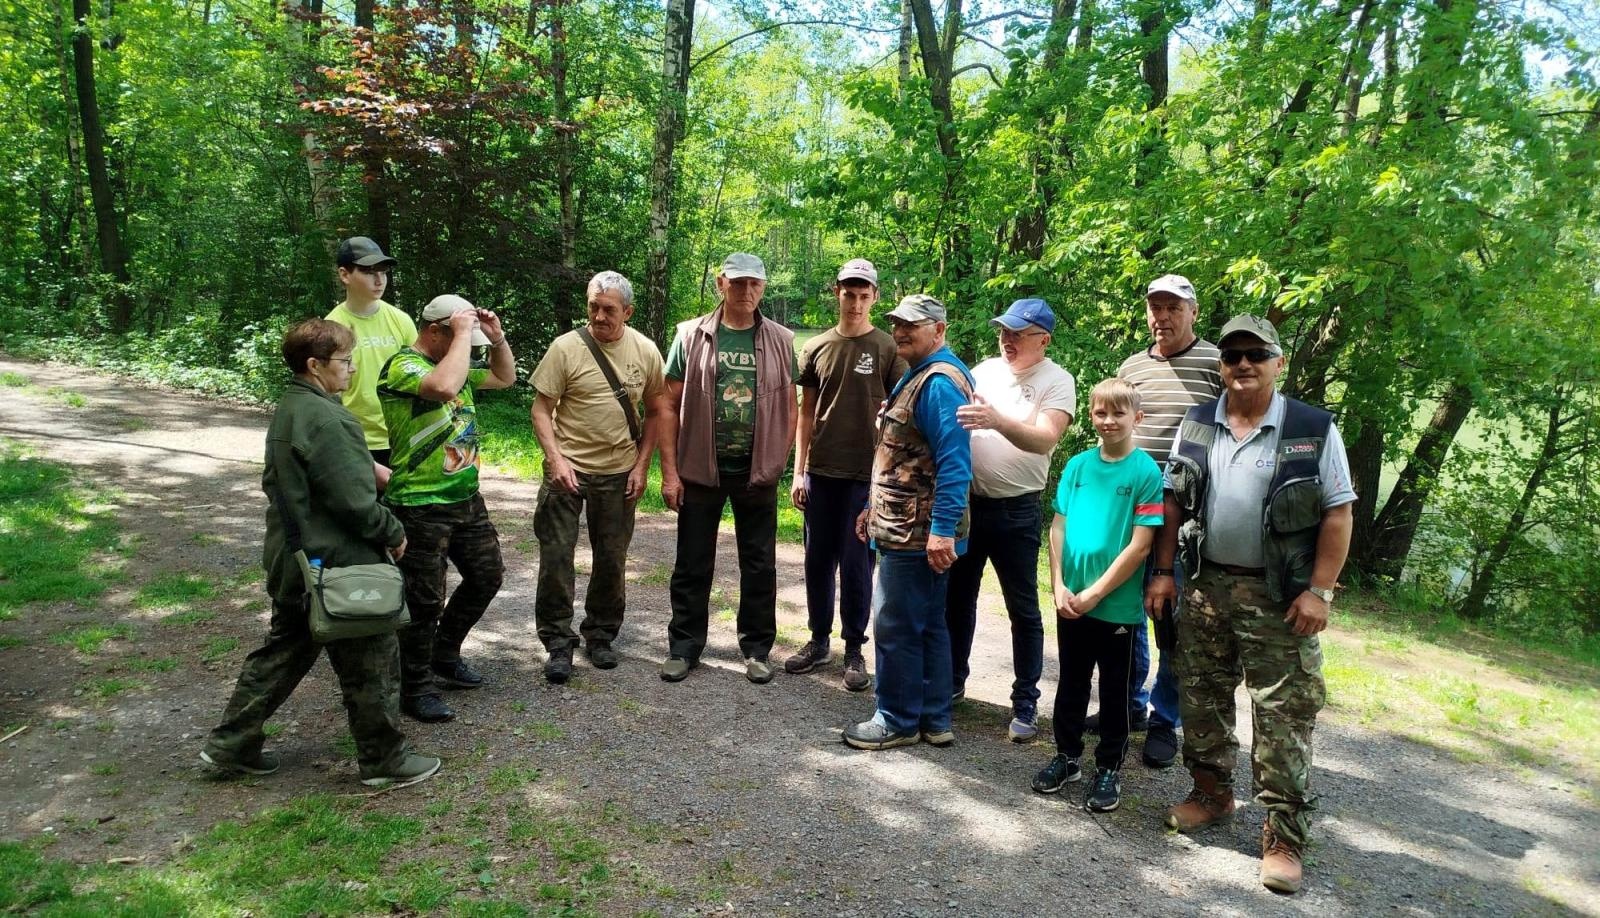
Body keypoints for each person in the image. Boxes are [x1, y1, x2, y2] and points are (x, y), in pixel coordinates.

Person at [1147, 314, 1355, 895]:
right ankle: (1211, 794)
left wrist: (1320, 590)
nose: (1243, 364)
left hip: (1280, 596)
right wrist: (1163, 573)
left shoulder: (1311, 427)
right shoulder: (1198, 422)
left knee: (1283, 713)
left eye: (1255, 354)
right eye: (1233, 355)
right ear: (1221, 365)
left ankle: (1284, 835)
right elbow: (1171, 504)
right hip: (1206, 585)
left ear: (1277, 363)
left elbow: (1339, 512)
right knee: (1202, 694)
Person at [200, 319, 440, 788]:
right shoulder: (328, 419)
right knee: (372, 658)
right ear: (315, 365)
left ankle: (231, 743)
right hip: (337, 563)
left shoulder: (293, 407)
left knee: (284, 651)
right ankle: (384, 761)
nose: (350, 370)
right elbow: (354, 501)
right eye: (344, 361)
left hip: (295, 559)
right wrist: (392, 529)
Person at [1098, 273, 1223, 768]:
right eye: (1155, 307)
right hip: (1130, 511)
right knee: (1125, 612)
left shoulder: (1216, 363)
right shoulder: (1132, 367)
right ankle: (1126, 708)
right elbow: (1117, 428)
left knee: (1171, 618)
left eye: (1173, 307)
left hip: (1187, 517)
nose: (1162, 317)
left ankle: (1164, 718)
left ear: (1193, 312)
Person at [658, 253, 797, 684]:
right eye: (738, 283)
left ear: (763, 287)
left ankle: (756, 650)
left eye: (755, 283)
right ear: (721, 283)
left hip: (756, 472)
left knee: (759, 564)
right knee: (692, 562)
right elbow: (667, 404)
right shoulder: (691, 334)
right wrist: (670, 472)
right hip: (701, 468)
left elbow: (791, 405)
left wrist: (779, 459)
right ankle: (684, 648)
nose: (747, 291)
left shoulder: (780, 338)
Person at [378, 294, 517, 722]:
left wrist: (496, 339)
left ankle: (445, 653)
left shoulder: (455, 363)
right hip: (420, 503)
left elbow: (505, 377)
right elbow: (442, 387)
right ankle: (414, 688)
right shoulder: (403, 366)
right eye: (460, 338)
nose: (469, 348)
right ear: (435, 331)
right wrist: (462, 335)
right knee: (424, 600)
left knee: (487, 575)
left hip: (464, 497)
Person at [843, 295, 973, 750]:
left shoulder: (939, 383)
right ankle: (934, 718)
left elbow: (956, 463)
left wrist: (941, 530)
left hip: (916, 533)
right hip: (904, 521)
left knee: (896, 622)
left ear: (939, 330)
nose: (900, 332)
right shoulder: (923, 376)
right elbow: (902, 456)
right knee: (929, 622)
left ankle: (896, 719)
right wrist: (871, 508)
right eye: (896, 324)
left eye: (911, 326)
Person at [1030, 379, 1163, 814]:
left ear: (1136, 418)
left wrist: (1095, 592)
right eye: (1100, 413)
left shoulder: (1145, 473)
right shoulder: (1078, 467)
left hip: (1116, 607)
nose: (1108, 421)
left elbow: (1140, 544)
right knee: (1070, 683)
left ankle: (1109, 767)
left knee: (1114, 691)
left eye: (1118, 414)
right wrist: (1060, 586)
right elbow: (1057, 527)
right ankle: (1067, 757)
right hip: (1071, 602)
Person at [530, 271, 669, 683]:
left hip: (619, 471)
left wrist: (643, 465)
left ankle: (601, 635)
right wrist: (554, 459)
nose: (599, 315)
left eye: (609, 309)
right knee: (556, 557)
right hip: (567, 469)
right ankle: (557, 642)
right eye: (593, 306)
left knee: (612, 558)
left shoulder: (644, 350)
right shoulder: (566, 348)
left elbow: (659, 409)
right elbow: (541, 408)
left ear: (627, 311)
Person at [948, 298, 1074, 742]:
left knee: (1022, 608)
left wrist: (998, 421)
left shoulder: (1057, 381)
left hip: (1017, 510)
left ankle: (1025, 701)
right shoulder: (983, 370)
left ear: (1044, 340)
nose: (1008, 340)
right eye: (1004, 331)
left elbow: (1044, 439)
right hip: (969, 504)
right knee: (957, 599)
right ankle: (952, 683)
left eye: (1018, 333)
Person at [784, 259, 906, 691]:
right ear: (836, 292)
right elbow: (805, 413)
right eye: (848, 293)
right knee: (818, 561)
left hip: (865, 476)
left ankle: (855, 648)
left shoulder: (889, 348)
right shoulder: (815, 347)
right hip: (820, 471)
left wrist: (885, 479)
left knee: (857, 564)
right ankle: (818, 642)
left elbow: (899, 416)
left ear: (875, 296)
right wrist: (798, 473)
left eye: (864, 294)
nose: (855, 302)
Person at [325, 236, 415, 491]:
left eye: (383, 271)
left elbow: (420, 376)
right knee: (365, 522)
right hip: (356, 441)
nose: (379, 280)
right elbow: (326, 393)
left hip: (403, 439)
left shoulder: (401, 320)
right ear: (345, 274)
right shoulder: (332, 327)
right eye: (368, 271)